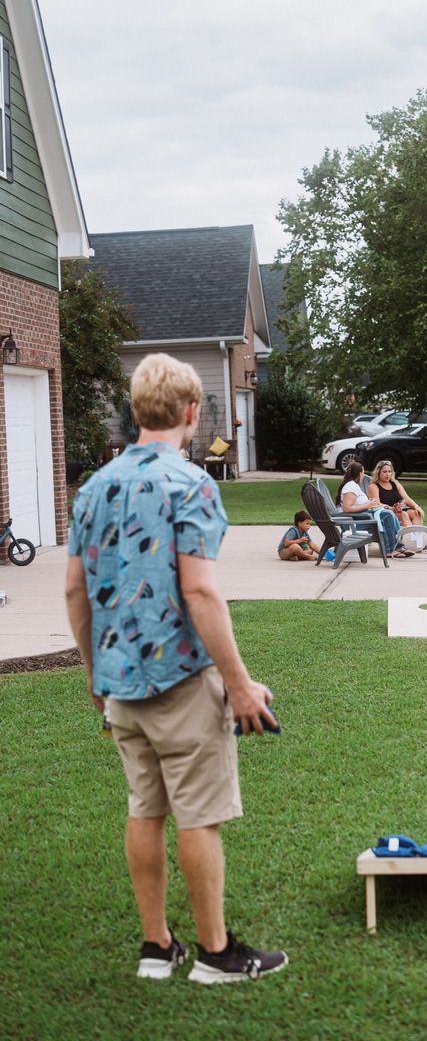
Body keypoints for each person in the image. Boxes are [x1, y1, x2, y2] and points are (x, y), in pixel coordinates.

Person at [65, 353, 288, 984]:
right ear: (192, 412)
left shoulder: (93, 488)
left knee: (146, 809)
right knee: (198, 815)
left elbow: (76, 594)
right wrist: (239, 684)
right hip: (181, 682)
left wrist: (93, 675)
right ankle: (216, 955)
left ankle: (157, 948)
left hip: (120, 688)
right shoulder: (190, 484)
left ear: (136, 411)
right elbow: (200, 593)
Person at [335, 461, 411, 557]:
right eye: (363, 472)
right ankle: (390, 549)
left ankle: (398, 547)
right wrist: (367, 506)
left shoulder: (353, 485)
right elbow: (347, 508)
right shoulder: (350, 487)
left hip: (362, 518)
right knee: (388, 514)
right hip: (355, 523)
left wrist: (375, 505)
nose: (363, 475)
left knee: (390, 513)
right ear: (359, 473)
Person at [367, 460, 425, 527]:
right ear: (378, 473)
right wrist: (392, 508)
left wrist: (416, 507)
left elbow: (406, 499)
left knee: (416, 513)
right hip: (385, 513)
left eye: (389, 471)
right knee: (403, 514)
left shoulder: (395, 483)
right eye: (384, 472)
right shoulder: (373, 486)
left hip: (399, 511)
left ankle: (418, 536)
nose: (387, 474)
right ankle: (410, 536)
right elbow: (376, 504)